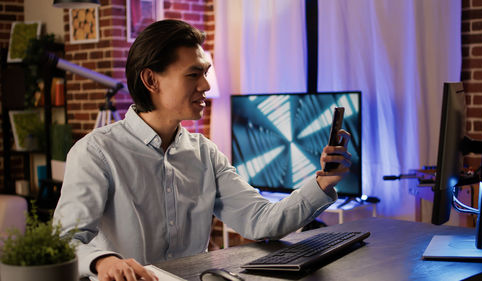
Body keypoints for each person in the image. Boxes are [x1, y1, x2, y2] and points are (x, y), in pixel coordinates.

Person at [53, 19, 352, 281]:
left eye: (205, 73)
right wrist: (104, 261)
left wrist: (322, 184)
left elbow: (261, 220)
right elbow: (65, 241)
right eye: (193, 74)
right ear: (151, 80)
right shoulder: (95, 152)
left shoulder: (205, 153)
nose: (206, 85)